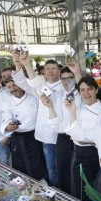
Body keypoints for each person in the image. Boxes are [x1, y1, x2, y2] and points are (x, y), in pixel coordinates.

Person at [12, 50, 63, 187]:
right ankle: (54, 192)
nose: (50, 71)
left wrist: (26, 65)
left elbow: (35, 82)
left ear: (59, 71)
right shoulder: (40, 87)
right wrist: (19, 64)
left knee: (63, 169)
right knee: (51, 169)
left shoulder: (64, 87)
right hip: (46, 136)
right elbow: (23, 82)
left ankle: (65, 193)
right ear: (43, 72)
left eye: (53, 68)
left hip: (62, 135)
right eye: (47, 69)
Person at [63, 76, 101, 201]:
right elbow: (73, 133)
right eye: (82, 90)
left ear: (96, 90)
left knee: (96, 192)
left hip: (95, 155)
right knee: (80, 190)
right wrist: (72, 112)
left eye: (89, 89)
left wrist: (84, 137)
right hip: (78, 153)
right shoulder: (77, 109)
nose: (86, 93)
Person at [39, 65, 82, 194]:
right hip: (63, 137)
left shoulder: (82, 93)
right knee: (61, 169)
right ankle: (65, 196)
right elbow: (56, 123)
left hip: (78, 138)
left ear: (74, 78)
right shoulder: (57, 95)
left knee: (77, 172)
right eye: (63, 78)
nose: (66, 81)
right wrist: (50, 107)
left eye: (70, 78)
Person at [0, 77, 47, 180]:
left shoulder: (33, 97)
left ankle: (39, 188)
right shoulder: (7, 101)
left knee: (36, 165)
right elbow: (6, 117)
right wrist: (8, 126)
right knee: (19, 166)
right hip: (17, 137)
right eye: (9, 87)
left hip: (34, 137)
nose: (12, 89)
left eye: (14, 85)